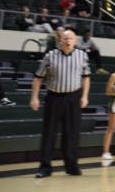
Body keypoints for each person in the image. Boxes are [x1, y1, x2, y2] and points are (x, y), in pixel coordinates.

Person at [30, 28, 91, 177]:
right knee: (49, 133)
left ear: (75, 41)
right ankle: (45, 167)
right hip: (54, 97)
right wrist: (34, 97)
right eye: (65, 38)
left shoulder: (82, 56)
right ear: (60, 40)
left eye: (71, 38)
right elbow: (38, 78)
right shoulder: (50, 56)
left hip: (73, 97)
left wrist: (85, 96)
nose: (68, 41)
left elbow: (86, 77)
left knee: (72, 133)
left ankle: (71, 166)